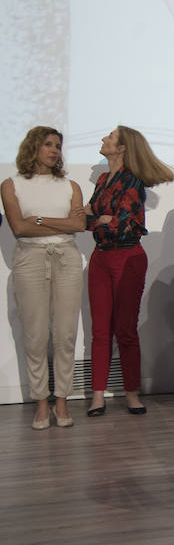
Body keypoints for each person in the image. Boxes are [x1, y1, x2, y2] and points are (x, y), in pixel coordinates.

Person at [85, 126, 174, 417]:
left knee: (125, 329)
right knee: (100, 331)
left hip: (127, 258)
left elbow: (119, 224)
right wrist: (100, 219)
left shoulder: (132, 182)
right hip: (101, 258)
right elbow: (87, 219)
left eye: (109, 137)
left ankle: (132, 394)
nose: (103, 139)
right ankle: (98, 395)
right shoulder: (102, 179)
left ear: (122, 148)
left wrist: (98, 220)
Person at [1, 127, 86, 429]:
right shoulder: (11, 185)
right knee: (35, 335)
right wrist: (58, 225)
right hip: (30, 260)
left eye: (58, 145)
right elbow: (19, 229)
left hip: (66, 258)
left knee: (64, 334)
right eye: (48, 144)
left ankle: (61, 401)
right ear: (33, 147)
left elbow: (78, 224)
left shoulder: (70, 185)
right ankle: (40, 402)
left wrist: (39, 219)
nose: (54, 150)